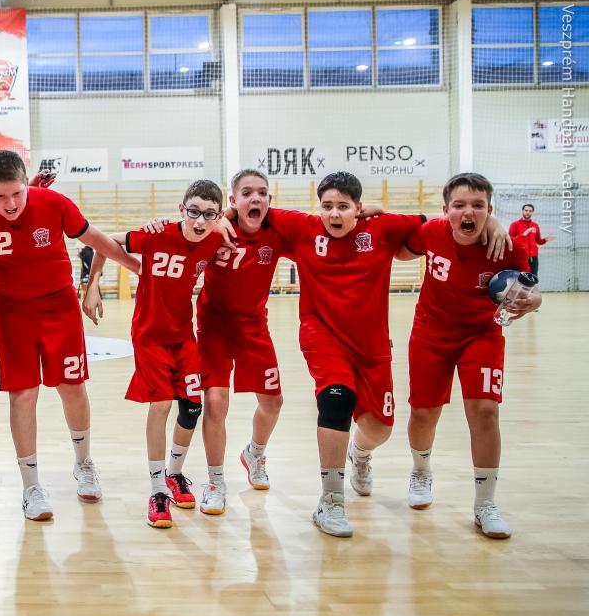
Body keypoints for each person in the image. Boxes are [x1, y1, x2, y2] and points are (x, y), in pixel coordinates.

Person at [263, 172, 507, 537]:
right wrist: (224, 216)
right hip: (322, 336)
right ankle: (330, 501)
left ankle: (360, 454)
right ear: (318, 208)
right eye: (327, 206)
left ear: (358, 208)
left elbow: (441, 223)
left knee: (380, 428)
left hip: (372, 347)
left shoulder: (383, 228)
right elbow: (255, 209)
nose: (334, 214)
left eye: (343, 207)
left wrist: (492, 221)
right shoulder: (302, 227)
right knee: (336, 398)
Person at [0, 149, 140, 521]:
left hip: (58, 306)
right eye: (0, 196)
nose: (10, 204)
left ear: (27, 184)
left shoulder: (53, 203)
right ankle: (31, 487)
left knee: (72, 387)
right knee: (23, 395)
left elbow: (95, 238)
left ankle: (84, 464)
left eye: (17, 193)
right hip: (10, 313)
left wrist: (136, 267)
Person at [400, 173, 539, 539]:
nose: (469, 212)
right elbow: (398, 249)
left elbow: (530, 288)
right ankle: (421, 471)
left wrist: (532, 300)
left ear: (490, 210)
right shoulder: (431, 233)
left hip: (482, 334)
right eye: (459, 205)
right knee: (424, 412)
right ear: (445, 209)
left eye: (478, 206)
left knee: (486, 412)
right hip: (430, 332)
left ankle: (485, 504)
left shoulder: (506, 246)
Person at [83, 180, 225, 528]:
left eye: (209, 214)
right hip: (149, 337)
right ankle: (157, 489)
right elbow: (103, 241)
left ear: (218, 216)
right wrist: (93, 284)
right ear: (181, 210)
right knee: (161, 404)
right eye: (193, 212)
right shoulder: (156, 234)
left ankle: (175, 474)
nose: (200, 221)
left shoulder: (215, 241)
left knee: (192, 407)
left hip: (183, 336)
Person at [194, 169, 288, 514]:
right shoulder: (215, 229)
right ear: (233, 200)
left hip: (253, 326)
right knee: (215, 403)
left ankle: (254, 454)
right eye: (246, 193)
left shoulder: (278, 232)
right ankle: (216, 482)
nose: (255, 198)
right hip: (214, 327)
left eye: (261, 192)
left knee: (273, 402)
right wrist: (221, 217)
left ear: (269, 200)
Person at [508, 203, 549, 279]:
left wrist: (545, 240)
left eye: (530, 211)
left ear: (532, 212)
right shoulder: (514, 224)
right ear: (522, 211)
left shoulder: (535, 225)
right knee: (521, 278)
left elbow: (538, 240)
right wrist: (524, 234)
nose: (528, 212)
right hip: (521, 256)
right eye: (526, 210)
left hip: (533, 257)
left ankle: (533, 287)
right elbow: (511, 240)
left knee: (533, 277)